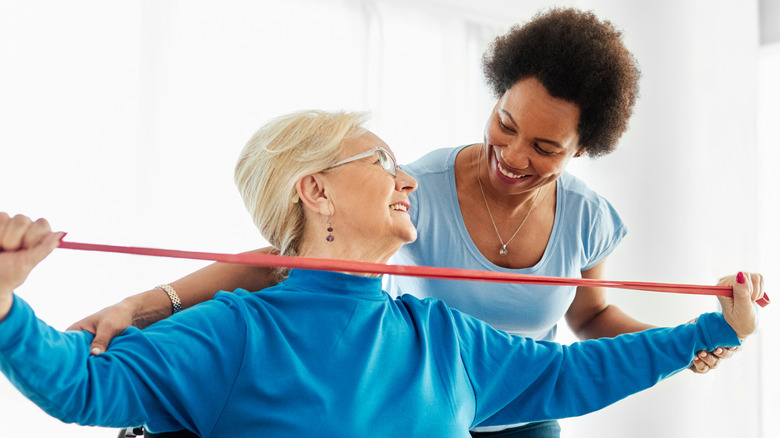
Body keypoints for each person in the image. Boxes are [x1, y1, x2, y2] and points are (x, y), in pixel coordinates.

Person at [68, 7, 746, 438]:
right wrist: (141, 304)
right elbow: (291, 257)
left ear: (581, 150)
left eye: (544, 148)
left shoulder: (591, 219)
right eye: (505, 125)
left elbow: (590, 317)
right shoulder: (412, 187)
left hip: (521, 391)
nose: (512, 155)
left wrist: (683, 341)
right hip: (420, 388)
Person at [0, 110, 764, 437]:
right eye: (382, 164)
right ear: (315, 188)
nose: (407, 182)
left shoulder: (443, 337)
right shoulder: (234, 332)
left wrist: (710, 328)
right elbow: (80, 383)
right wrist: (4, 301)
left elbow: (574, 373)